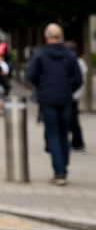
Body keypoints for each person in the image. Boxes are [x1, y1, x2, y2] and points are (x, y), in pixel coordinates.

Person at [27, 24, 82, 186]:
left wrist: (42, 87)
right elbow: (78, 79)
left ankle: (59, 172)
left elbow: (31, 76)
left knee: (52, 134)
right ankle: (63, 168)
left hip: (47, 99)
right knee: (64, 134)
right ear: (61, 36)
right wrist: (68, 89)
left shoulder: (40, 55)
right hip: (66, 99)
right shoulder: (70, 55)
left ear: (46, 37)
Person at [65, 41, 86, 152]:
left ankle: (76, 142)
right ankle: (77, 142)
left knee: (70, 120)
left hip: (70, 95)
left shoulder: (73, 62)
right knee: (74, 120)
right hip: (75, 95)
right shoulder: (80, 62)